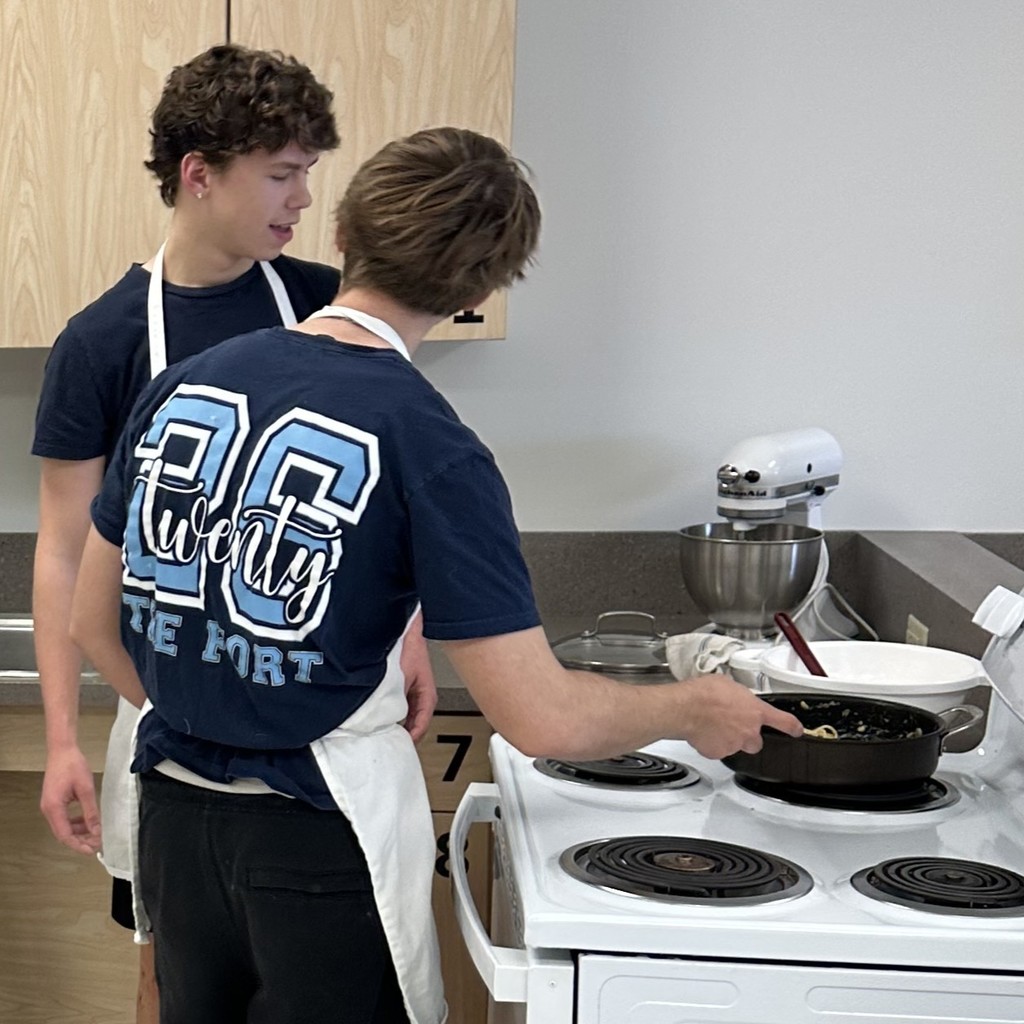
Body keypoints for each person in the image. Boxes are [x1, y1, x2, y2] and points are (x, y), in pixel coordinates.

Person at [69, 125, 803, 1024]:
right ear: (481, 288)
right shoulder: (433, 445)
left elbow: (92, 624)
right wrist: (695, 709)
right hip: (318, 837)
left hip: (175, 825)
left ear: (341, 233)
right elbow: (545, 717)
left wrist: (209, 715)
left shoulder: (182, 386)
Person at [31, 43, 437, 1023]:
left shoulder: (325, 301)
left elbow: (382, 498)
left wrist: (411, 634)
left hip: (318, 735)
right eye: (282, 174)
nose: (302, 199)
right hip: (168, 721)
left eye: (308, 174)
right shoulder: (104, 340)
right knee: (168, 977)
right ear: (198, 176)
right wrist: (61, 739)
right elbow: (63, 550)